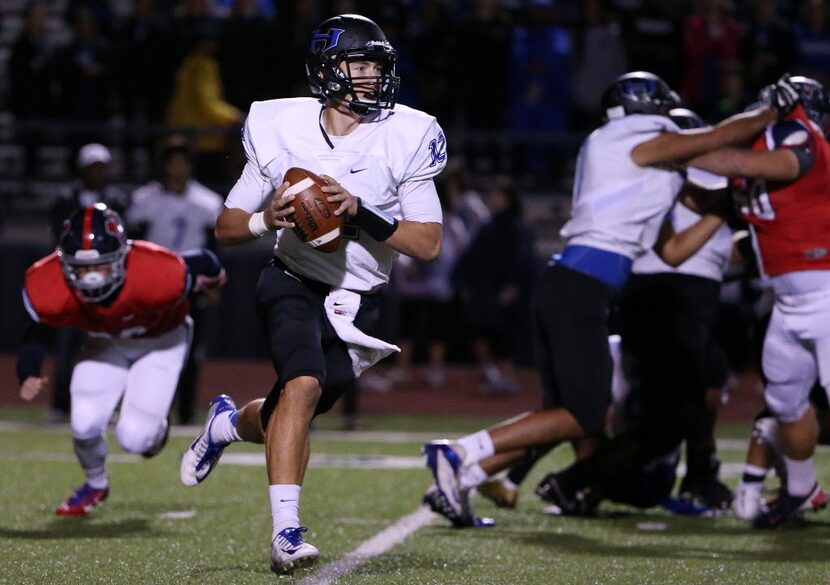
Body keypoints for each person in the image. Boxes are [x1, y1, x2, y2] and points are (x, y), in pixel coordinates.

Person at [422, 71, 794, 528]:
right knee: (584, 415)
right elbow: (716, 138)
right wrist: (770, 112)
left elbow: (671, 249)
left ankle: (467, 476)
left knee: (563, 411)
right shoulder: (624, 140)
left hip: (575, 286)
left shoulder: (639, 165)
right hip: (580, 287)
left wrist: (726, 205)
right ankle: (459, 454)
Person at [178, 14, 446, 574]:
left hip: (358, 298)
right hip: (292, 278)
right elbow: (227, 226)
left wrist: (360, 211)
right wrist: (264, 220)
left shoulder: (409, 132)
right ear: (327, 70)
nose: (372, 76)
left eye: (378, 65)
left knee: (288, 411)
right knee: (301, 384)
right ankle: (286, 532)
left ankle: (227, 424)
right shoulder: (281, 125)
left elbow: (427, 244)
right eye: (360, 65)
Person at [17, 203, 226, 516]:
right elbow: (38, 331)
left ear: (121, 256)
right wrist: (29, 370)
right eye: (82, 268)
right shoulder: (48, 281)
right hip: (105, 342)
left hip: (161, 340)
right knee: (84, 425)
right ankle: (95, 484)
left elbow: (205, 262)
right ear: (64, 263)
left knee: (136, 440)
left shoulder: (157, 270)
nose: (90, 279)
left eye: (99, 266)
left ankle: (156, 429)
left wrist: (215, 283)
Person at [687, 75, 830, 528]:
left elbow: (774, 165)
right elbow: (703, 170)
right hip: (789, 304)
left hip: (826, 294)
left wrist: (675, 151)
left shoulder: (800, 137)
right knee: (785, 403)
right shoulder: (761, 144)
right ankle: (799, 490)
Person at [127, 139, 225, 423]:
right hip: (154, 283)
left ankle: (184, 414)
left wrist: (213, 282)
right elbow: (135, 243)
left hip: (190, 283)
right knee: (147, 346)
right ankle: (148, 410)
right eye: (173, 161)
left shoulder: (206, 201)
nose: (177, 167)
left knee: (190, 350)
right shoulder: (145, 199)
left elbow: (212, 248)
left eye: (182, 161)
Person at [47, 143, 131, 423]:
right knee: (68, 345)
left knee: (109, 344)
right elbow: (57, 239)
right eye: (93, 167)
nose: (98, 172)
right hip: (73, 281)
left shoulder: (116, 200)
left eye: (102, 167)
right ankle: (61, 406)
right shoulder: (65, 198)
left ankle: (109, 404)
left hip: (109, 282)